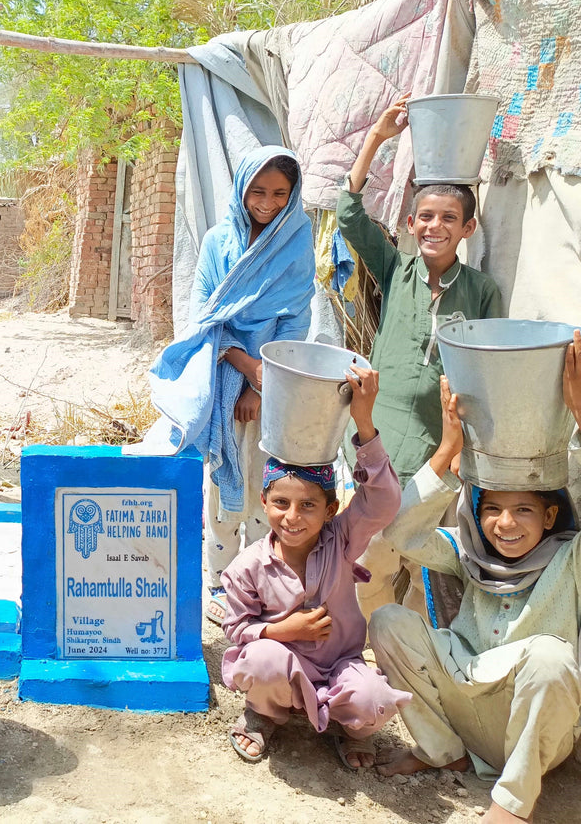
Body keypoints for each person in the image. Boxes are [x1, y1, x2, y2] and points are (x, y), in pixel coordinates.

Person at [370, 332, 581, 824]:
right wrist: (447, 451)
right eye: (494, 510)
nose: (506, 524)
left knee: (552, 656)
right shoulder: (468, 551)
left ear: (550, 517)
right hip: (468, 708)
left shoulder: (569, 558)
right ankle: (444, 750)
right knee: (387, 620)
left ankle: (512, 804)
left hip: (535, 727)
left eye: (524, 510)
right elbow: (402, 533)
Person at [338, 95, 502, 620]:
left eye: (448, 218)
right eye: (425, 217)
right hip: (376, 439)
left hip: (437, 446)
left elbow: (487, 371)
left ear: (467, 229)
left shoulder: (481, 291)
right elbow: (348, 214)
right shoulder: (396, 271)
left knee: (422, 557)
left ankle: (414, 650)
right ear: (410, 223)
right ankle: (364, 649)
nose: (435, 227)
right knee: (369, 558)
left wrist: (464, 445)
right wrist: (377, 139)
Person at [138, 147, 315, 626]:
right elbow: (205, 316)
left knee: (268, 485)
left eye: (280, 193)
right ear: (240, 190)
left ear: (292, 195)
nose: (267, 202)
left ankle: (259, 583)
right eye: (257, 191)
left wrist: (264, 381)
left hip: (278, 380)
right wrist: (241, 367)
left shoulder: (297, 239)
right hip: (222, 375)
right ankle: (219, 582)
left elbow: (296, 316)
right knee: (223, 478)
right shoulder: (219, 242)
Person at [221, 366, 410, 767]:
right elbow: (236, 630)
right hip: (283, 666)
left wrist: (363, 421)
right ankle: (265, 713)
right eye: (281, 503)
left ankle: (349, 726)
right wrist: (280, 630)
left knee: (374, 701)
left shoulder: (342, 539)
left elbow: (384, 503)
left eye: (308, 505)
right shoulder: (247, 566)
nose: (292, 517)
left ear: (331, 510)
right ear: (264, 501)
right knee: (260, 660)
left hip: (340, 664)